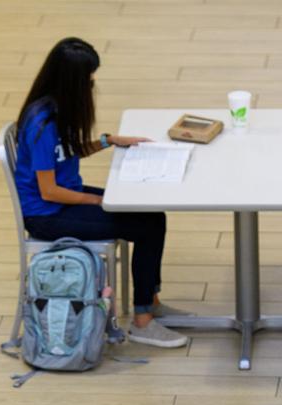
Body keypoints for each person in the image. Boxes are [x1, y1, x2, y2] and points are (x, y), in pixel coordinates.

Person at [14, 36, 190, 348]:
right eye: (88, 76)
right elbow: (49, 190)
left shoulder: (56, 108)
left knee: (152, 215)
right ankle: (142, 321)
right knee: (147, 226)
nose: (92, 81)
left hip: (66, 196)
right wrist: (98, 201)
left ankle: (150, 300)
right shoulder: (42, 123)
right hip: (47, 214)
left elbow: (65, 153)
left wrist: (108, 141)